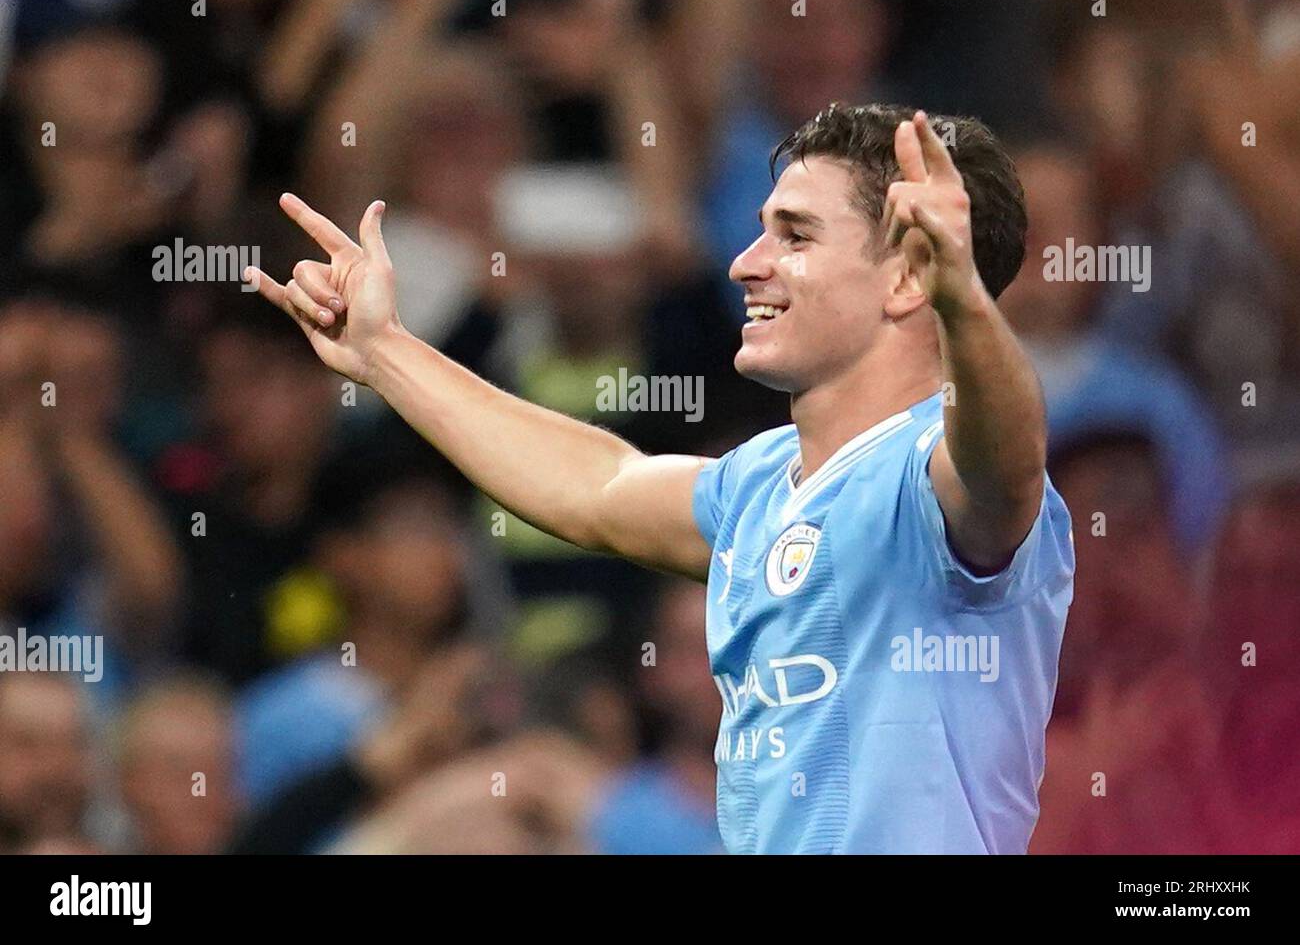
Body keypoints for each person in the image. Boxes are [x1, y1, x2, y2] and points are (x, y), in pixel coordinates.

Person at [246, 102, 1074, 854]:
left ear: (906, 273)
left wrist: (963, 298)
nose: (745, 263)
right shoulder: (756, 487)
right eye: (759, 230)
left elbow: (1008, 461)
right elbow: (595, 487)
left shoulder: (942, 476)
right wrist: (385, 352)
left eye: (794, 235)